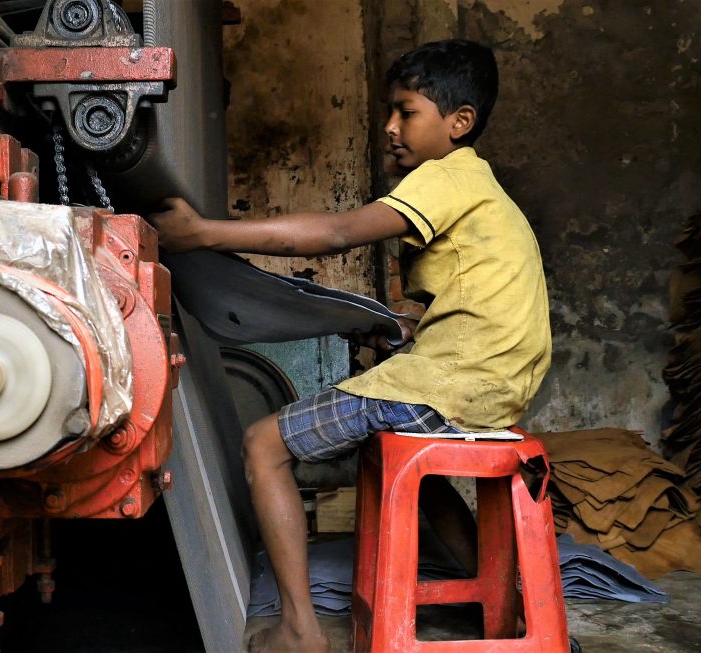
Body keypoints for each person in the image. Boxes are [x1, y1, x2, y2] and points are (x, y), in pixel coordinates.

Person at [148, 39, 551, 653]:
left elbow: (336, 231)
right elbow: (477, 299)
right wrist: (404, 327)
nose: (390, 126)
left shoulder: (447, 177)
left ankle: (301, 631)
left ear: (459, 122)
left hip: (452, 382)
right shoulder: (480, 189)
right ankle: (501, 605)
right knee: (419, 467)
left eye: (406, 111)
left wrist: (203, 233)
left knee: (262, 445)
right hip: (491, 384)